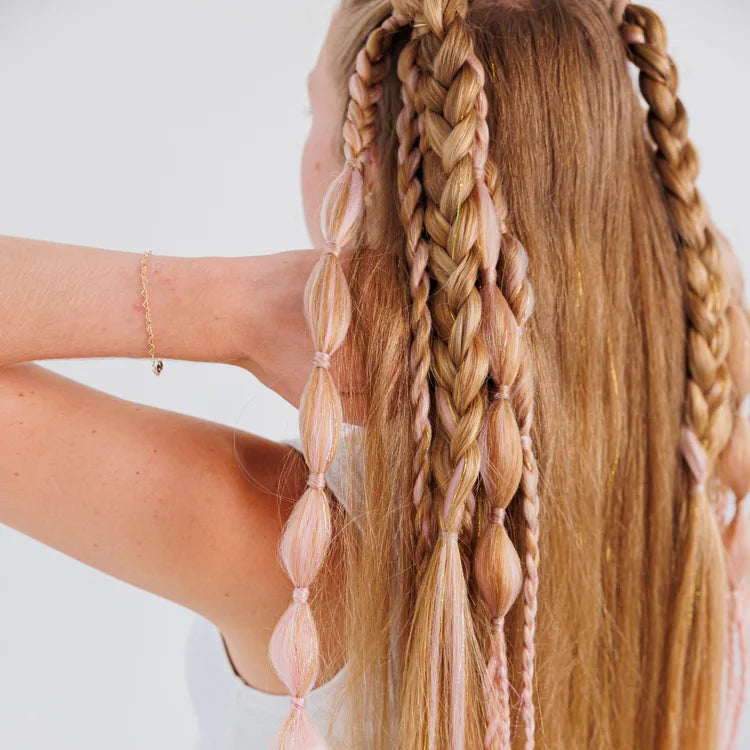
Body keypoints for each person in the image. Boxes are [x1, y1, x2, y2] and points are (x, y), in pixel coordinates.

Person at [1, 1, 748, 749]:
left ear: (370, 176)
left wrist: (233, 309)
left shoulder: (301, 550)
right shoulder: (717, 468)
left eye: (315, 111)